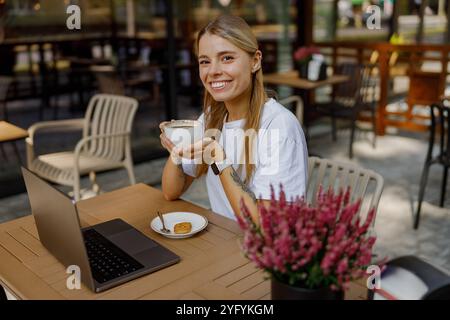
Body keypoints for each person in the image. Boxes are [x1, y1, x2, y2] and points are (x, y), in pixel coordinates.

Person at [159, 15, 308, 225]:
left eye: (227, 58)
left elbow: (268, 228)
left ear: (255, 61)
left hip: (260, 252)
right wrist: (176, 152)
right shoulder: (211, 118)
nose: (213, 71)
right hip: (224, 239)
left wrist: (220, 160)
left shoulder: (278, 127)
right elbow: (170, 192)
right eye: (205, 61)